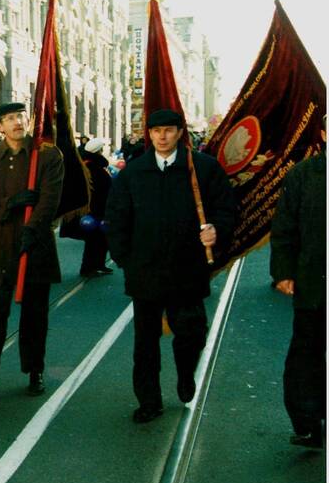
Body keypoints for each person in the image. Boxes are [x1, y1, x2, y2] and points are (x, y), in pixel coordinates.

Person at [105, 108, 237, 424]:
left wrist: (216, 228)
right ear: (148, 135)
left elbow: (227, 208)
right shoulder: (134, 173)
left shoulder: (202, 169)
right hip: (145, 271)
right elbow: (117, 218)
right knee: (146, 342)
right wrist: (126, 259)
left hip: (187, 269)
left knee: (191, 333)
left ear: (180, 133)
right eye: (156, 131)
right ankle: (149, 401)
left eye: (168, 130)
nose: (162, 136)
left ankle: (185, 373)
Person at [0, 101, 64, 400]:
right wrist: (10, 204)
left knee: (34, 315)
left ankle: (35, 371)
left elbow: (50, 198)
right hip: (0, 246)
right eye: (9, 118)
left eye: (20, 116)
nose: (17, 121)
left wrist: (33, 228)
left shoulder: (46, 156)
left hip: (35, 245)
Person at [269, 118, 326, 449]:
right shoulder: (303, 175)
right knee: (306, 356)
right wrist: (284, 273)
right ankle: (308, 423)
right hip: (313, 284)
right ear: (323, 134)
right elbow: (285, 229)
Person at [79, 137, 113, 277]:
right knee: (94, 240)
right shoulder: (91, 167)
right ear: (98, 152)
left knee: (102, 239)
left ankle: (99, 264)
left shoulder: (97, 166)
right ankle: (88, 267)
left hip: (102, 207)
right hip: (96, 209)